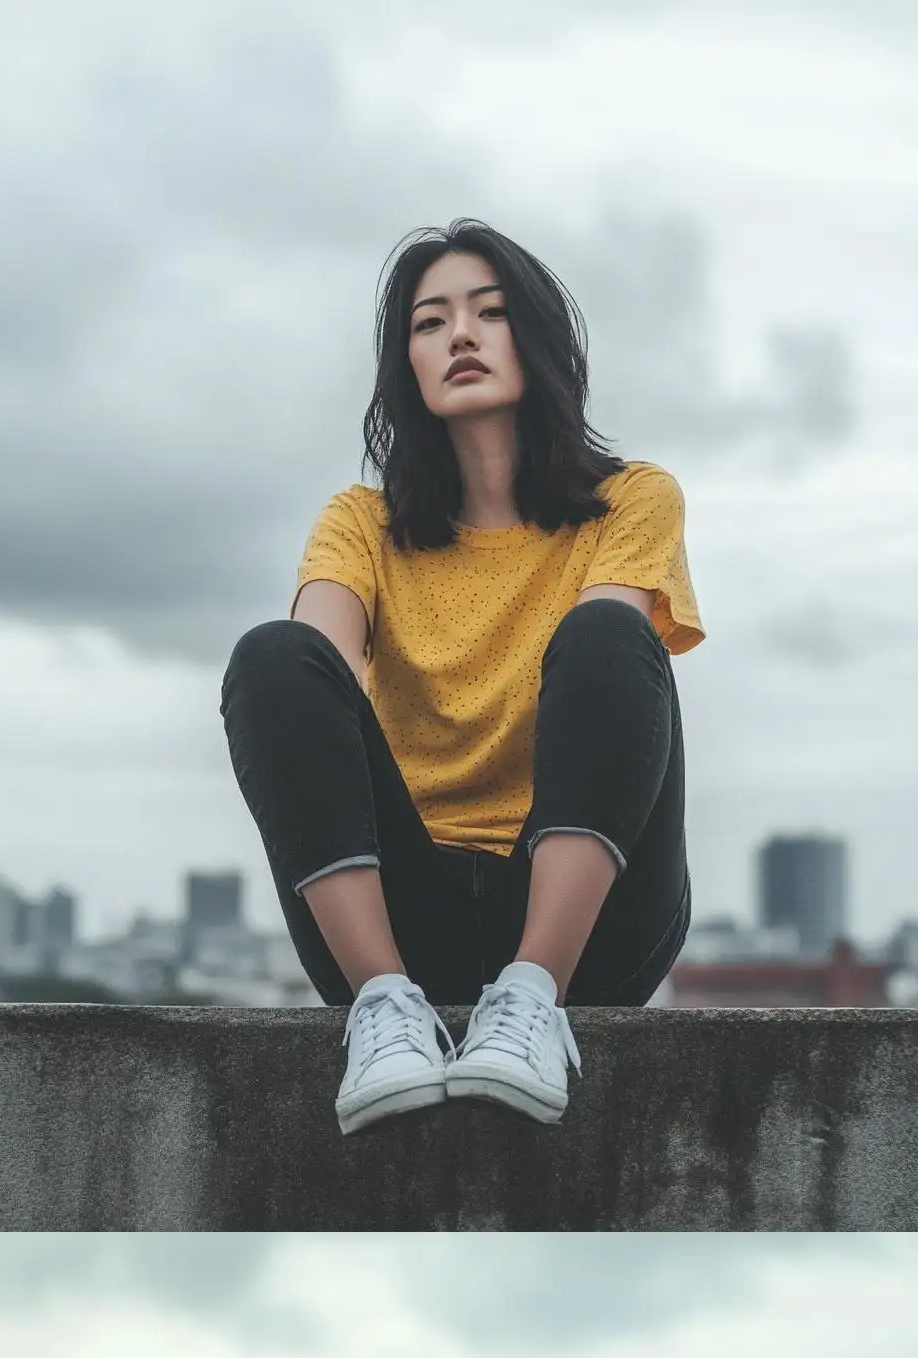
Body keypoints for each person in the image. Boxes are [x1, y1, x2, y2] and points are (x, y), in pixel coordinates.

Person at [222, 219, 703, 1135]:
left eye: (490, 312)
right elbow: (309, 665)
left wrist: (540, 972)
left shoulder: (631, 500)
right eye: (430, 322)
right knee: (273, 656)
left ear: (539, 337)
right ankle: (385, 1012)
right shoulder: (361, 522)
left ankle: (530, 1003)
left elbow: (607, 683)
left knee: (607, 633)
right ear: (406, 362)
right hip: (403, 925)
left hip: (587, 919)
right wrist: (322, 703)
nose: (463, 337)